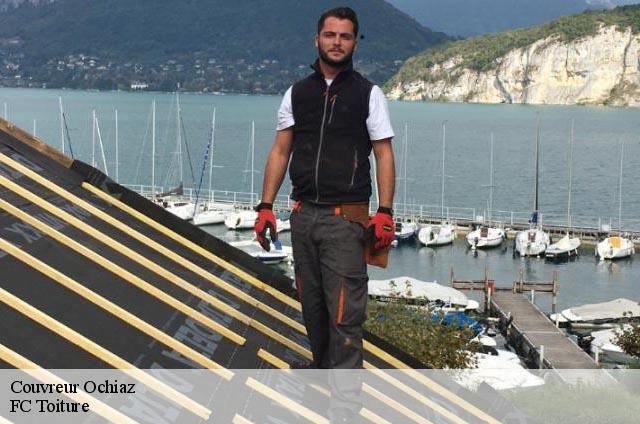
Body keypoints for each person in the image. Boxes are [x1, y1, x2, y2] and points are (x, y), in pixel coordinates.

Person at [255, 4, 395, 376]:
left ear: (355, 44)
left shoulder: (369, 94)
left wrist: (385, 212)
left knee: (345, 315)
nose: (337, 42)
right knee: (312, 306)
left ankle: (344, 400)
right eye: (330, 35)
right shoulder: (297, 93)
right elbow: (280, 150)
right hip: (303, 216)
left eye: (345, 37)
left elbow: (384, 153)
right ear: (317, 39)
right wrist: (265, 207)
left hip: (345, 220)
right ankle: (320, 373)